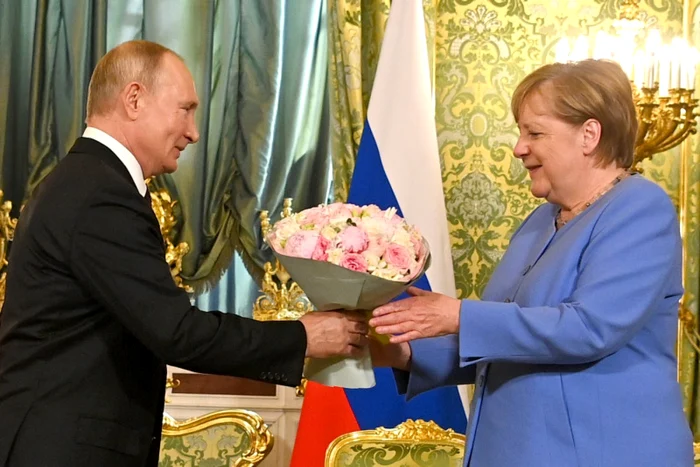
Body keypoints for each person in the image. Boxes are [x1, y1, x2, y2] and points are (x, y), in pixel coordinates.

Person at [0, 40, 368, 467]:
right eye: (186, 109)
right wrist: (304, 336)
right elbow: (177, 332)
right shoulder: (101, 193)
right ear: (134, 98)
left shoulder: (88, 180)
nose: (193, 132)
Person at [369, 59, 694, 467]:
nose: (519, 148)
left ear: (589, 135)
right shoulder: (541, 220)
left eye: (534, 132)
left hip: (601, 453)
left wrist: (458, 316)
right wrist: (403, 353)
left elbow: (589, 329)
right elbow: (511, 340)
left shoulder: (639, 207)